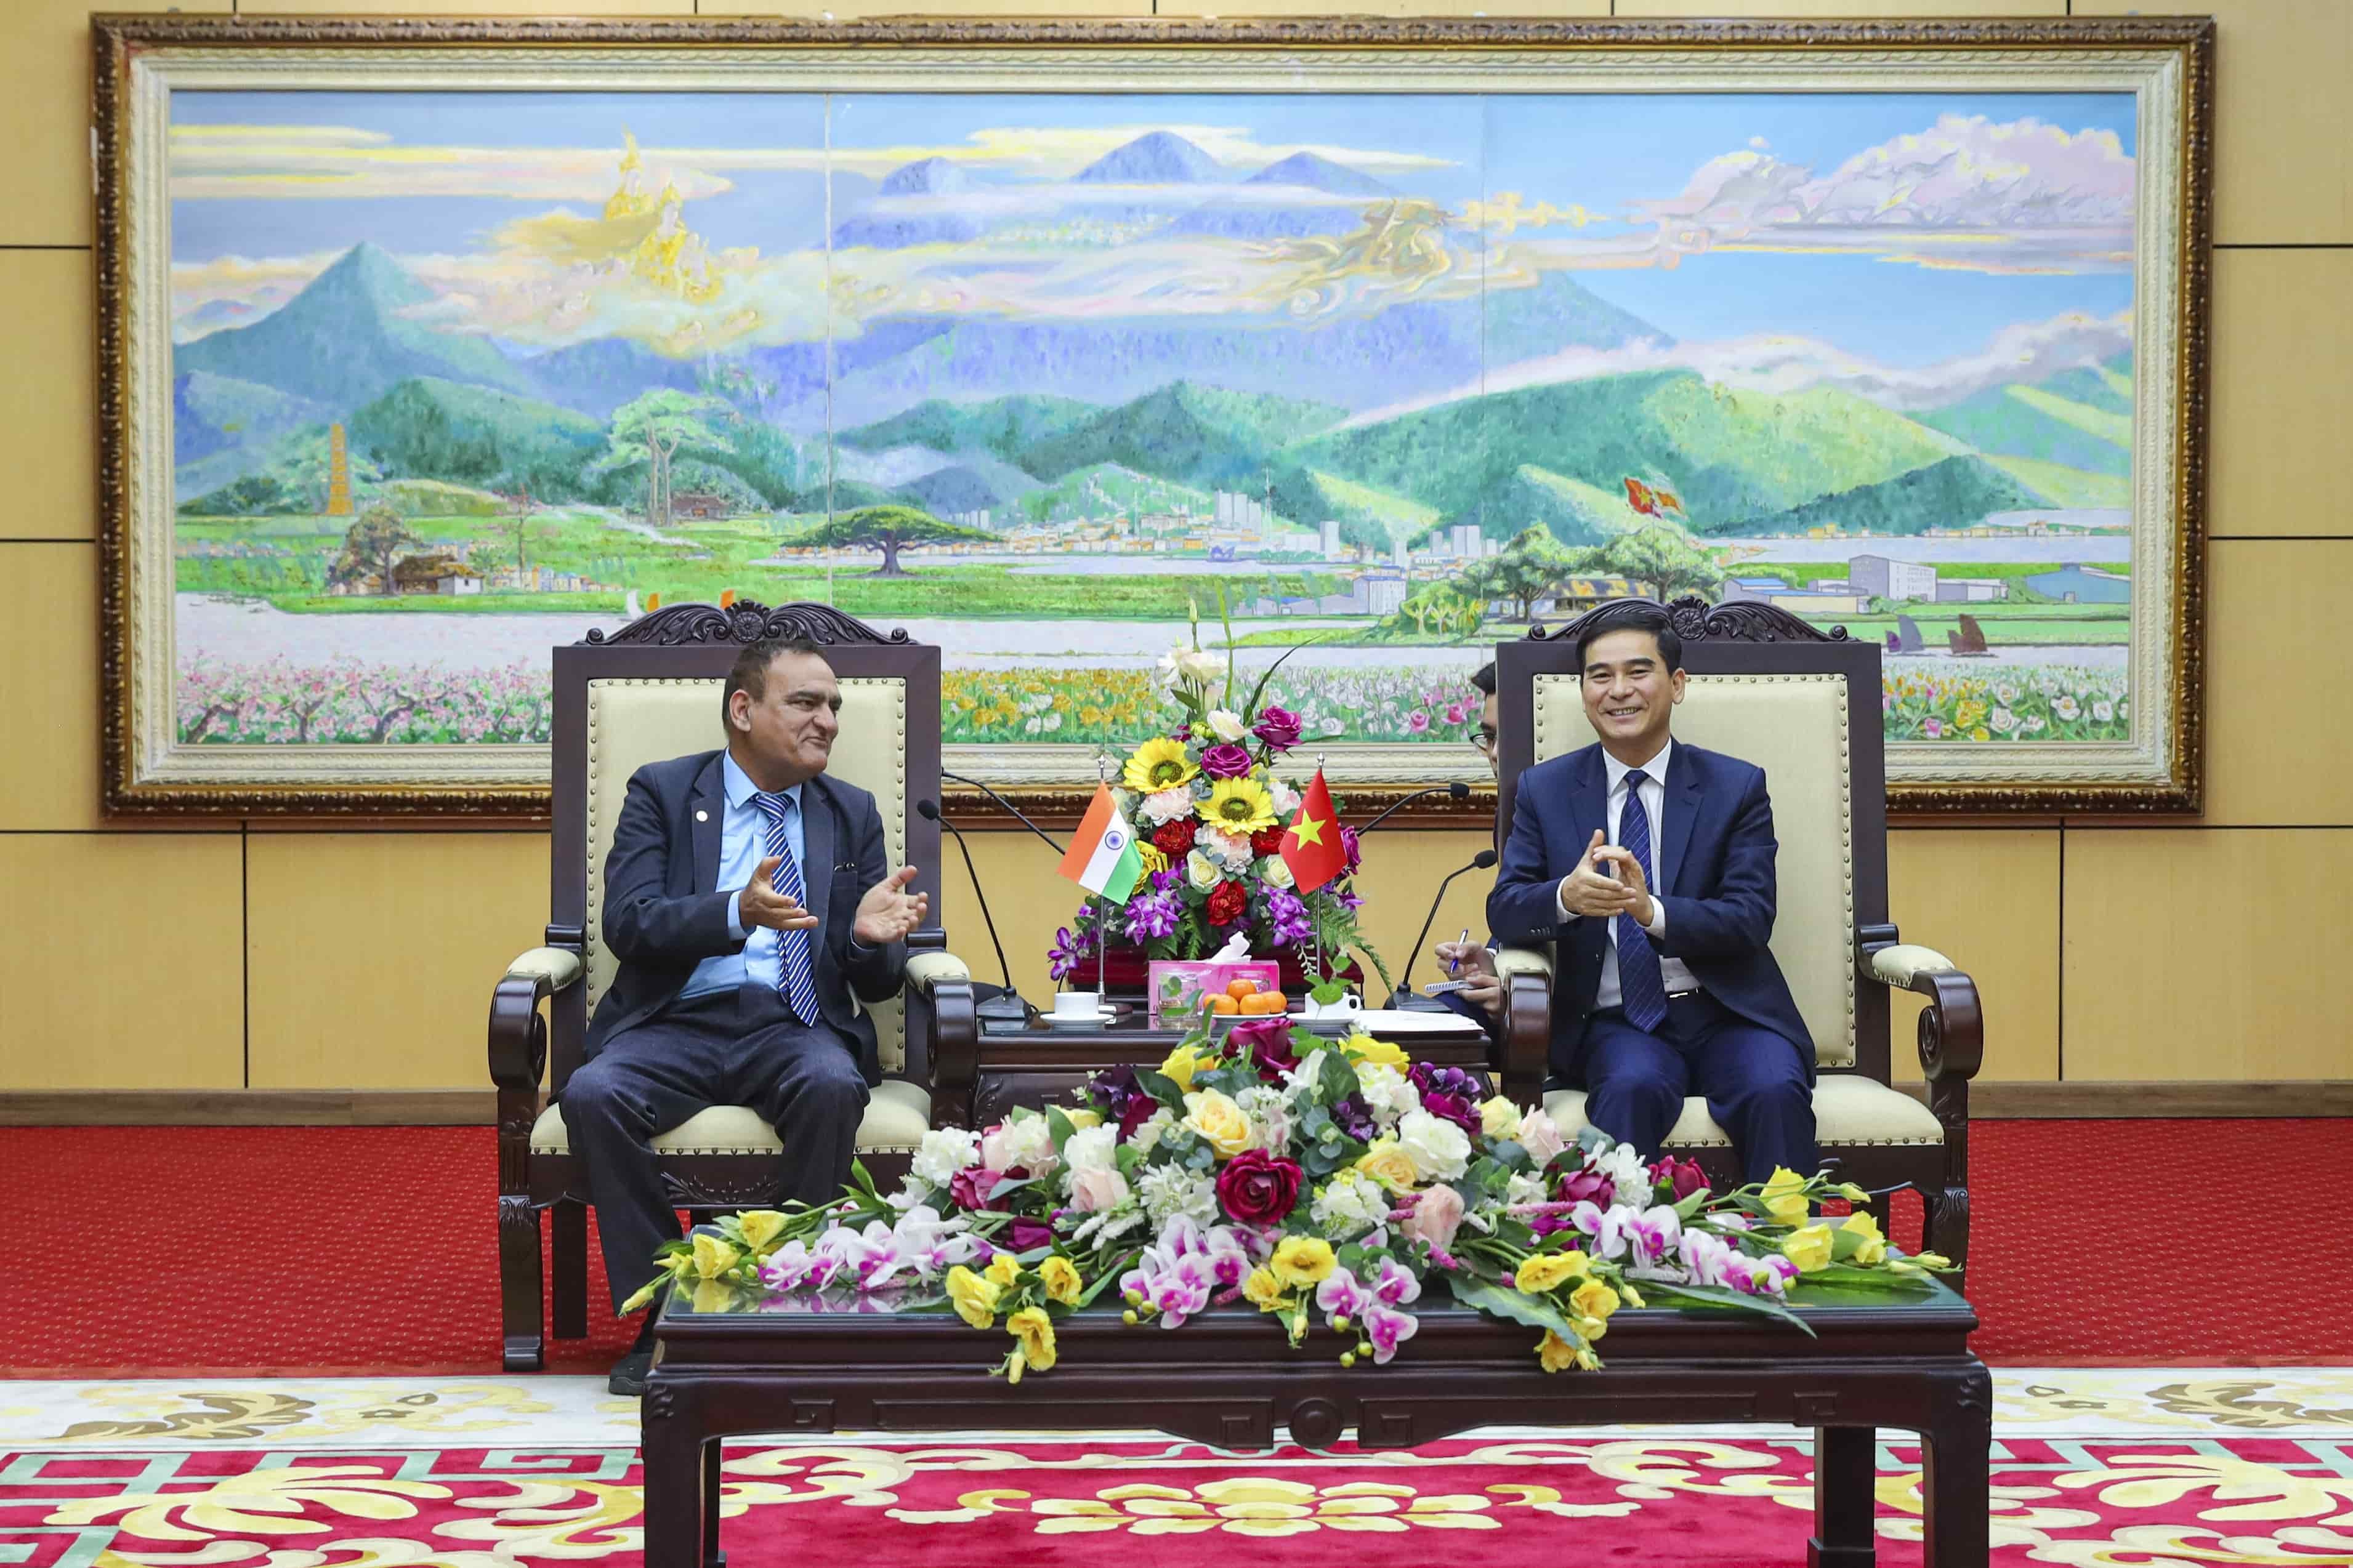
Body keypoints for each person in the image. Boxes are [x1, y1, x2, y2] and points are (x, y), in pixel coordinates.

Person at [563, 637, 930, 1394]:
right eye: (805, 702)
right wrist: (735, 910)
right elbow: (627, 924)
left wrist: (865, 939)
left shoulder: (849, 812)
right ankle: (670, 1314)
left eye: (834, 705)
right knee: (593, 1097)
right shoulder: (662, 792)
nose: (827, 719)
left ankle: (779, 1307)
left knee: (832, 1087)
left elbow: (884, 979)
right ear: (743, 709)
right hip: (676, 1020)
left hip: (792, 1026)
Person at [1484, 602, 1817, 1181]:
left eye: (1638, 672)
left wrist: (1651, 911)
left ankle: (1782, 1260)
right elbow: (1506, 908)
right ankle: (1620, 1263)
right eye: (1599, 675)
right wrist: (1566, 896)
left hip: (1728, 1015)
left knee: (1772, 1087)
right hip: (1616, 1024)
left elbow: (1750, 916)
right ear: (1583, 689)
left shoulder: (1735, 786)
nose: (1618, 691)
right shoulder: (1544, 789)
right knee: (1631, 1087)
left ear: (1676, 683)